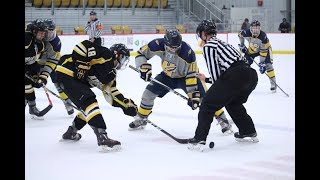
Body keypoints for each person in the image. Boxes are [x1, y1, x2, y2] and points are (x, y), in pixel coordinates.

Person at [128, 29, 233, 134]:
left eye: (176, 47)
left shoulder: (188, 53)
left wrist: (193, 94)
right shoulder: (157, 44)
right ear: (165, 43)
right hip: (167, 76)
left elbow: (191, 74)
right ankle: (141, 118)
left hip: (186, 77)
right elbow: (141, 53)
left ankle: (223, 120)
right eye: (171, 48)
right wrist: (143, 66)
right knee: (148, 93)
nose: (173, 50)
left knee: (205, 97)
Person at [188, 20, 259, 150]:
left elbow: (217, 76)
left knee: (207, 104)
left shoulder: (209, 46)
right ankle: (248, 130)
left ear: (204, 34)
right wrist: (207, 79)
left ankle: (199, 139)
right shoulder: (223, 43)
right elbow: (228, 73)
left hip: (235, 76)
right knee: (233, 103)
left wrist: (211, 86)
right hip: (250, 75)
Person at [55, 40, 136, 151]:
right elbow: (82, 46)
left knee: (89, 108)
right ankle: (102, 137)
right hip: (66, 71)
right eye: (123, 58)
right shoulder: (106, 54)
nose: (123, 62)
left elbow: (111, 93)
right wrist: (82, 64)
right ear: (117, 54)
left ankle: (71, 132)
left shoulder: (111, 75)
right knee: (90, 102)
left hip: (74, 81)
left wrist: (125, 105)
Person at [41, 18, 75, 116]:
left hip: (52, 63)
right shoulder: (38, 37)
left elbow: (53, 58)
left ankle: (68, 104)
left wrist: (45, 73)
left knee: (59, 84)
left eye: (52, 32)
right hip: (37, 63)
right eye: (48, 32)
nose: (50, 35)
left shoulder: (56, 42)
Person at [238, 20, 277, 92]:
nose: (255, 30)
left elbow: (263, 51)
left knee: (268, 65)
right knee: (244, 64)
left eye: (257, 28)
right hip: (253, 49)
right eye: (253, 28)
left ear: (260, 28)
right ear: (250, 28)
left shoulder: (263, 36)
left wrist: (262, 63)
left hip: (265, 50)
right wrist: (242, 45)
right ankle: (242, 84)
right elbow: (240, 35)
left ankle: (273, 83)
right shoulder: (246, 32)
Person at [25, 19, 47, 120]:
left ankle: (32, 108)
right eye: (40, 33)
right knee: (27, 85)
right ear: (34, 32)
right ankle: (32, 108)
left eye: (44, 33)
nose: (42, 35)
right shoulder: (27, 39)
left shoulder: (40, 45)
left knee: (29, 84)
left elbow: (34, 61)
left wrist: (35, 74)